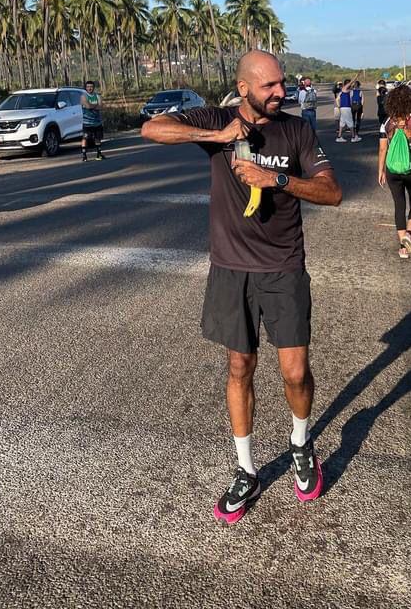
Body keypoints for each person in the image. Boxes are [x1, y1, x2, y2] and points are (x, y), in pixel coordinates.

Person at [141, 50, 342, 523]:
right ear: (244, 88)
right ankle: (246, 469)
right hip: (231, 268)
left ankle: (300, 444)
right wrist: (217, 137)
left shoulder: (296, 130)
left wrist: (277, 178)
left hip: (283, 266)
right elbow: (152, 129)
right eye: (270, 86)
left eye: (282, 83)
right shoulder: (217, 120)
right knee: (239, 367)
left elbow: (332, 192)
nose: (280, 92)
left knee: (295, 372)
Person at [377, 84, 411, 259]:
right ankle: (409, 234)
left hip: (392, 169)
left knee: (399, 205)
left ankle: (403, 248)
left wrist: (381, 170)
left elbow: (382, 149)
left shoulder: (386, 124)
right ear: (410, 101)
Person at [81, 81, 104, 161]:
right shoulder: (83, 96)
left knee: (98, 138)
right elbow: (87, 106)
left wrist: (91, 106)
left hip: (97, 122)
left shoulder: (98, 96)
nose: (89, 88)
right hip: (87, 123)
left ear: (93, 87)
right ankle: (84, 156)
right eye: (88, 87)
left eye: (91, 86)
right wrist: (95, 105)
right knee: (85, 138)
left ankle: (99, 154)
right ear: (86, 88)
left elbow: (100, 107)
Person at [336, 78, 359, 143]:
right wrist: (356, 77)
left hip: (344, 108)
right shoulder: (344, 89)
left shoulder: (346, 91)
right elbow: (338, 99)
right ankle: (353, 137)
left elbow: (338, 99)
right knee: (350, 122)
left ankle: (339, 137)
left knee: (342, 122)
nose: (351, 85)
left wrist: (339, 106)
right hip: (346, 108)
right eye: (350, 84)